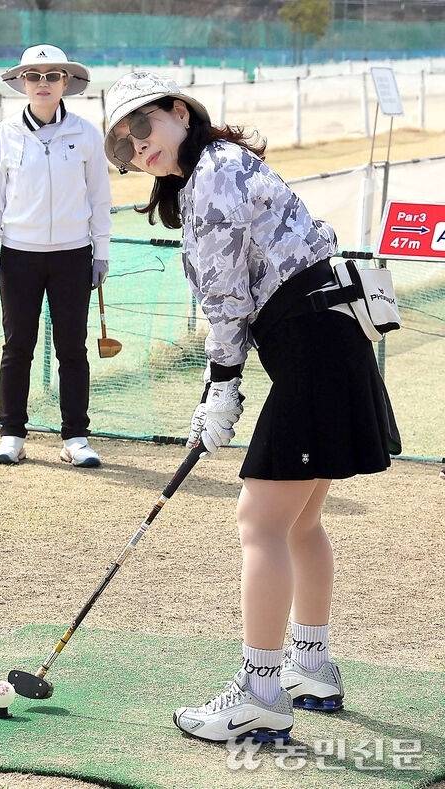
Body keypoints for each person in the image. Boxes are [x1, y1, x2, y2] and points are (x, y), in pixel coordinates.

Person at [103, 72, 400, 743]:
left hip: (311, 339)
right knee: (300, 520)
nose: (135, 147)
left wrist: (221, 388)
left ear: (179, 112)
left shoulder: (210, 178)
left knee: (259, 519)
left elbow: (227, 302)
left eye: (142, 127)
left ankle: (262, 690)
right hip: (332, 330)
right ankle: (311, 665)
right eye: (122, 144)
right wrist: (225, 385)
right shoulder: (223, 163)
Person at [0, 44, 111, 468]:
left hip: (74, 255)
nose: (43, 83)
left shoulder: (86, 134)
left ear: (66, 83)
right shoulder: (4, 134)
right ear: (22, 83)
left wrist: (100, 253)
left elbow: (100, 199)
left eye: (52, 76)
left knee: (72, 348)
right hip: (19, 254)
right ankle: (12, 434)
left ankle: (76, 438)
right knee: (18, 346)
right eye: (34, 76)